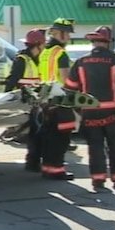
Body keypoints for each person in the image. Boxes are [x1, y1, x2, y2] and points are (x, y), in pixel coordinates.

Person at [64, 26, 115, 191]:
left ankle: (98, 181)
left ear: (93, 42)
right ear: (108, 42)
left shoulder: (81, 62)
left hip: (90, 112)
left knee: (95, 147)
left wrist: (78, 108)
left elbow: (70, 88)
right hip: (113, 112)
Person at [37, 17, 77, 180]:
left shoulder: (45, 52)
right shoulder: (61, 54)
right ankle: (57, 169)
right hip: (61, 100)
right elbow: (66, 79)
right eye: (66, 33)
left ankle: (47, 167)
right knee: (62, 137)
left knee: (49, 136)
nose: (68, 37)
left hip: (47, 99)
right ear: (58, 33)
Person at [4, 28, 46, 170]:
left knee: (37, 132)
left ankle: (35, 161)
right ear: (38, 44)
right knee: (35, 133)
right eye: (43, 44)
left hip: (37, 100)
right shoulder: (22, 60)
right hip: (26, 101)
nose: (44, 47)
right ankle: (33, 163)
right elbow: (12, 80)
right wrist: (7, 98)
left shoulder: (38, 59)